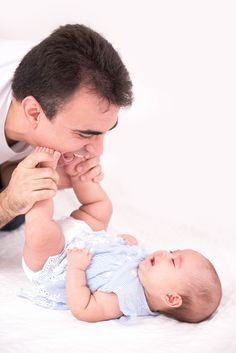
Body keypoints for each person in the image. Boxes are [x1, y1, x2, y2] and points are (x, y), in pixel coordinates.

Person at [20, 147, 222, 324]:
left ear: (171, 298)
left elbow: (83, 308)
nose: (163, 253)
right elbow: (127, 255)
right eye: (171, 252)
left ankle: (41, 176)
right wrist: (128, 243)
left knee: (40, 232)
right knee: (101, 208)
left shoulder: (126, 300)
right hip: (87, 237)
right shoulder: (148, 270)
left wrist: (76, 268)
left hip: (58, 262)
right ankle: (76, 169)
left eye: (172, 262)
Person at [0, 24, 133, 231]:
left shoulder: (48, 75)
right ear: (33, 112)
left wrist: (50, 177)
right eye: (84, 134)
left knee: (31, 199)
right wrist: (7, 204)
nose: (98, 151)